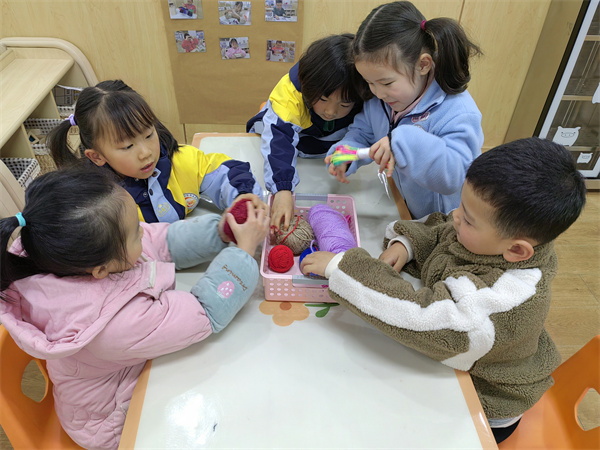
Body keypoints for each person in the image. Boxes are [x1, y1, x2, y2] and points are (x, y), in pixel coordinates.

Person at [302, 137, 587, 444]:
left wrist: (343, 268)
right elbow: (444, 229)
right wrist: (407, 244)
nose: (456, 216)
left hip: (483, 402)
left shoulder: (497, 302)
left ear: (517, 251)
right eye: (461, 206)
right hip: (457, 362)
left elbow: (421, 317)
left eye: (468, 220)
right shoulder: (493, 236)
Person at [0, 166, 270, 450]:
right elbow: (203, 312)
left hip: (119, 373)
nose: (143, 230)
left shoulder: (62, 251)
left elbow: (160, 240)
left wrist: (219, 232)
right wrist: (243, 252)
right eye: (134, 233)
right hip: (113, 421)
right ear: (101, 270)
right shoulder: (114, 324)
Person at [326, 1, 484, 220]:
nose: (377, 92)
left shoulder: (458, 111)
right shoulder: (381, 98)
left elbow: (454, 176)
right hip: (408, 211)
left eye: (386, 83)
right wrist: (348, 153)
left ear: (423, 65)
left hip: (447, 223)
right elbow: (363, 132)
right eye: (369, 82)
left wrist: (401, 141)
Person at [48, 80, 265, 223]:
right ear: (97, 157)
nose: (145, 153)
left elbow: (223, 172)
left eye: (148, 135)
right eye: (127, 147)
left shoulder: (179, 161)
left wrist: (243, 197)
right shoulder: (99, 205)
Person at [247, 34, 367, 231]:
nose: (330, 111)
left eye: (344, 104)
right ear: (308, 87)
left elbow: (363, 133)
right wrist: (283, 188)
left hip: (324, 156)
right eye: (323, 99)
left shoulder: (364, 92)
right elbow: (279, 141)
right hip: (287, 152)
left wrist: (347, 156)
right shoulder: (290, 94)